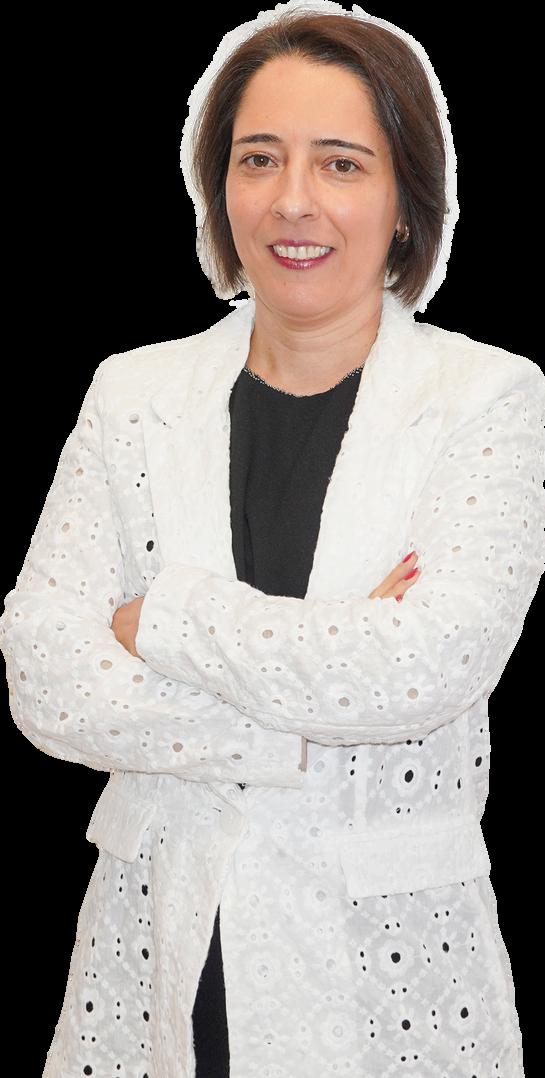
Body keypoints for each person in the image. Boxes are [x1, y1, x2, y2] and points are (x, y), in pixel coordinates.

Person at [0, 2, 542, 1076]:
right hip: (162, 945)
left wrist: (160, 619)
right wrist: (305, 704)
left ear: (404, 203)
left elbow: (426, 664)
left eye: (340, 163)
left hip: (379, 972)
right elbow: (45, 676)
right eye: (258, 158)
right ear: (219, 187)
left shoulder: (481, 397)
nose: (293, 199)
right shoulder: (132, 395)